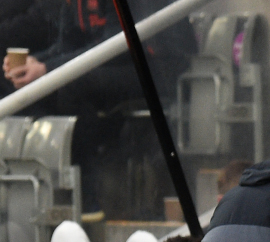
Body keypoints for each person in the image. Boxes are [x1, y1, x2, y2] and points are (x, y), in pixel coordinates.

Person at [3, 0, 195, 221]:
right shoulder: (74, 4)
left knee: (72, 87)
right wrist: (34, 63)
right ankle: (36, 184)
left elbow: (116, 47)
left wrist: (46, 69)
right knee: (26, 85)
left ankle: (88, 193)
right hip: (111, 64)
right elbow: (67, 46)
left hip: (157, 67)